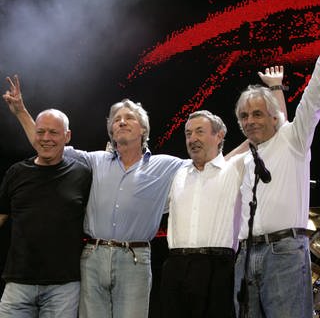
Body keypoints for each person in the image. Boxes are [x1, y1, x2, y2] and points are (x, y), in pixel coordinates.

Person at [2, 66, 285, 318]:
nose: (121, 122)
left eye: (129, 118)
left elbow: (219, 160)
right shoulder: (93, 161)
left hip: (134, 260)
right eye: (116, 119)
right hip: (92, 257)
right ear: (111, 131)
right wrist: (21, 113)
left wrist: (267, 129)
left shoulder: (167, 166)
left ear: (143, 130)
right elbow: (48, 144)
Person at [234, 56, 320, 318]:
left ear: (275, 118)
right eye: (244, 116)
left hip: (285, 253)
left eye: (257, 114)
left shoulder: (293, 140)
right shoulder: (244, 160)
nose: (250, 120)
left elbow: (314, 96)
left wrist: (276, 87)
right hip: (246, 255)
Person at [0, 105, 92, 317]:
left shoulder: (82, 174)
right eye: (40, 132)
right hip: (18, 284)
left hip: (63, 287)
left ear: (67, 136)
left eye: (53, 132)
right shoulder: (16, 173)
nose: (46, 138)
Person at [160, 110, 244, 318]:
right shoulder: (177, 174)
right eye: (188, 134)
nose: (193, 139)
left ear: (219, 135)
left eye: (199, 131)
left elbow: (266, 137)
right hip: (176, 267)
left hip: (218, 268)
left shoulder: (235, 169)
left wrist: (276, 88)